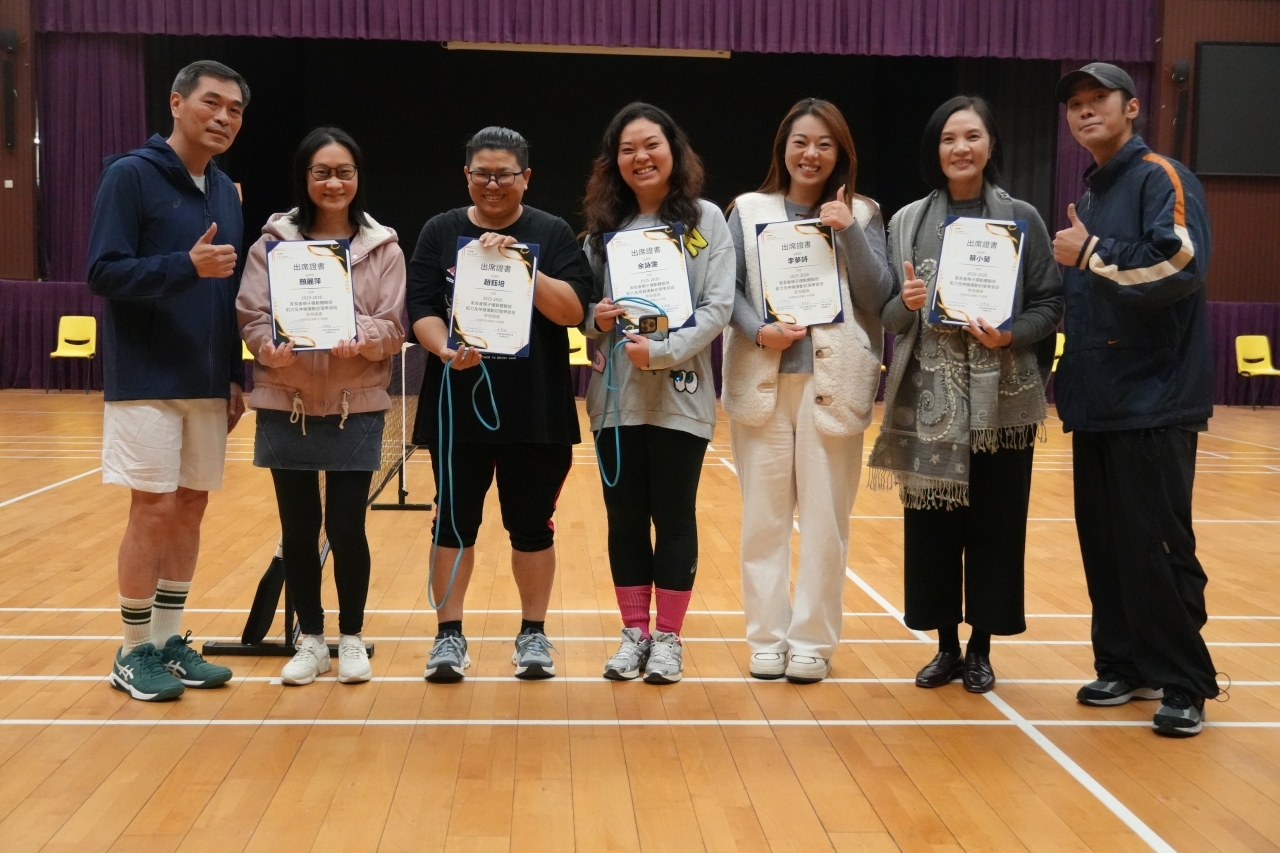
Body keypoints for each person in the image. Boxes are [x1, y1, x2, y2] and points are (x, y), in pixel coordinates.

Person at [867, 96, 1063, 694]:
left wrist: (1010, 334)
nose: (961, 148)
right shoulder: (906, 221)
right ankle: (946, 646)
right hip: (929, 400)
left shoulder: (1022, 217)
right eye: (949, 138)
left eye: (972, 136)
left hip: (1004, 401)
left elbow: (1050, 302)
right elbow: (889, 317)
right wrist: (908, 303)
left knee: (996, 528)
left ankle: (980, 648)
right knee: (931, 530)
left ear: (990, 144)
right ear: (936, 148)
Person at [1052, 63, 1218, 737]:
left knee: (1155, 543)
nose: (1085, 111)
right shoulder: (1091, 195)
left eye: (1099, 99)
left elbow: (1180, 263)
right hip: (1097, 400)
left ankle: (1184, 680)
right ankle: (1124, 662)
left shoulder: (1161, 177)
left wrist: (1091, 251)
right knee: (1107, 544)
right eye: (1076, 104)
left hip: (1155, 397)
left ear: (1132, 107)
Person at [86, 60, 250, 702]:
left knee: (191, 506)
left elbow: (226, 292)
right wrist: (185, 265)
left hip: (206, 379)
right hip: (146, 376)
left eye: (235, 110)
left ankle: (169, 640)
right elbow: (103, 272)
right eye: (212, 103)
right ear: (177, 103)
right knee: (152, 508)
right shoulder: (129, 175)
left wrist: (233, 373)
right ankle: (132, 652)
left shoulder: (225, 191)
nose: (224, 118)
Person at [407, 127, 593, 683]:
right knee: (452, 523)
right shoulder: (441, 231)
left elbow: (573, 311)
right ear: (466, 176)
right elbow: (421, 308)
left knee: (532, 526)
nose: (492, 184)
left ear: (525, 178)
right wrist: (444, 350)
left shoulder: (551, 232)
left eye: (504, 174)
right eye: (481, 174)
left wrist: (521, 264)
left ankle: (533, 633)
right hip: (455, 404)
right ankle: (448, 637)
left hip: (537, 409)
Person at [722, 99, 892, 684]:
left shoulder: (863, 213)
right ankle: (767, 639)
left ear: (840, 152)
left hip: (835, 384)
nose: (811, 154)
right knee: (762, 523)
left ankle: (813, 643)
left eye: (824, 143)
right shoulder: (747, 210)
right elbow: (726, 289)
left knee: (825, 526)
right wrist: (757, 329)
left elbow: (877, 297)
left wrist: (848, 232)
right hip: (762, 382)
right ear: (783, 148)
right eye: (800, 142)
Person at [237, 127, 405, 685]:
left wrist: (363, 335)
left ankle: (351, 638)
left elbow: (394, 325)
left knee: (347, 526)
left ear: (358, 178)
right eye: (322, 172)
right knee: (298, 527)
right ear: (305, 178)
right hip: (286, 400)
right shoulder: (271, 244)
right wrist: (268, 348)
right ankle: (310, 639)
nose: (334, 183)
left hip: (356, 404)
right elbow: (253, 315)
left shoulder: (384, 247)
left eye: (344, 172)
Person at [582, 102, 734, 684]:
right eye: (627, 149)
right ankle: (634, 635)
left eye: (651, 145)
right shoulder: (603, 229)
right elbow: (583, 313)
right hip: (615, 399)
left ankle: (668, 639)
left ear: (674, 151)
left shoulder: (706, 221)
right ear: (614, 161)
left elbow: (718, 307)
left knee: (673, 516)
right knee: (623, 519)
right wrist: (595, 319)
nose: (640, 157)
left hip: (681, 394)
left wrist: (665, 351)